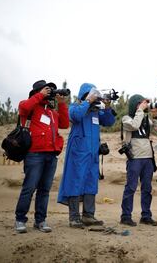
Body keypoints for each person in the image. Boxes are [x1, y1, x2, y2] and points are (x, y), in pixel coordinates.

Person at [57, 83, 116, 228]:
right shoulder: (76, 107)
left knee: (91, 182)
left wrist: (107, 106)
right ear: (85, 95)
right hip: (78, 153)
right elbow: (75, 116)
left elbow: (109, 122)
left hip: (92, 155)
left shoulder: (96, 112)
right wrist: (88, 101)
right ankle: (74, 217)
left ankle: (88, 216)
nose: (96, 97)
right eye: (92, 94)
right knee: (75, 182)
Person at [14, 80, 69, 233]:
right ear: (38, 92)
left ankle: (40, 221)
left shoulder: (51, 112)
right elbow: (23, 108)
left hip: (51, 155)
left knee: (44, 190)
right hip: (34, 154)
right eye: (47, 90)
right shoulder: (29, 106)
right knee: (29, 188)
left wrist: (61, 103)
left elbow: (64, 124)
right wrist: (40, 95)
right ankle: (20, 219)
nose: (49, 93)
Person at [119, 94, 157, 227]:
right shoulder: (127, 119)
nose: (144, 105)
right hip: (135, 157)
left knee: (147, 188)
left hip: (147, 158)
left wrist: (155, 116)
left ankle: (146, 216)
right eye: (141, 103)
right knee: (131, 187)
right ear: (134, 105)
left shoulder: (144, 117)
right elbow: (135, 126)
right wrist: (140, 111)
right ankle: (125, 216)